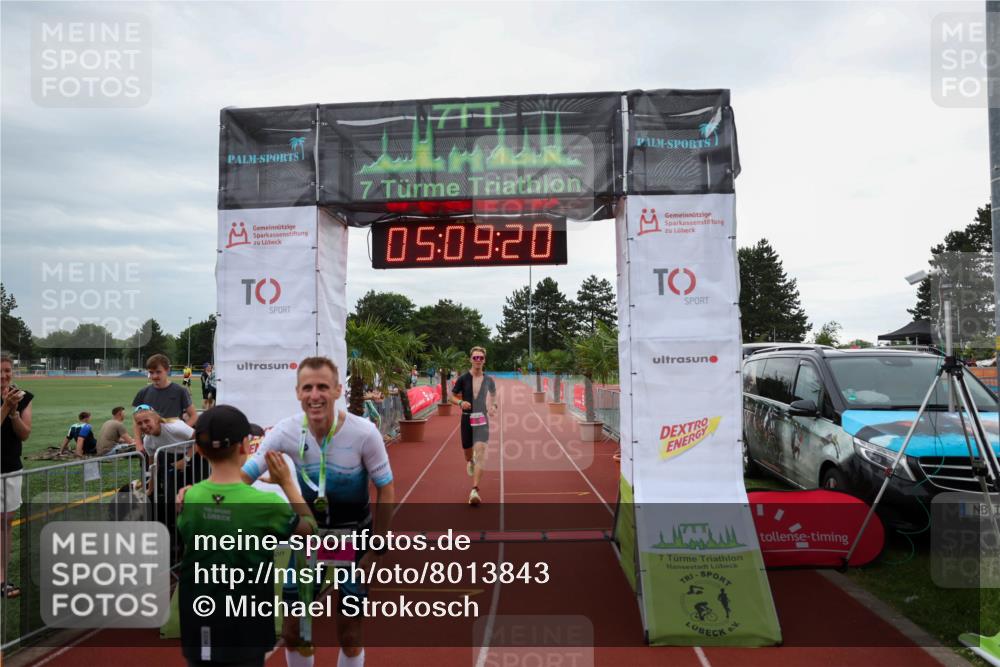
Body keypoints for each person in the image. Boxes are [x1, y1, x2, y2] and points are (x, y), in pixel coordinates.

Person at [241, 356, 394, 667]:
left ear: (338, 390)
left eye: (323, 386)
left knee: (350, 634)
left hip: (354, 538)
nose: (315, 395)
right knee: (294, 631)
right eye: (307, 387)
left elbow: (386, 488)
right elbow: (243, 476)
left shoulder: (363, 433)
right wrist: (203, 492)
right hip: (308, 537)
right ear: (297, 392)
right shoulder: (285, 432)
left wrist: (376, 550)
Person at [177, 405, 315, 667]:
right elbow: (310, 529)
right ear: (245, 446)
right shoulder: (266, 504)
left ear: (200, 449)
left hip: (198, 621)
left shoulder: (190, 496)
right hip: (246, 626)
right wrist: (286, 481)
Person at [449, 346, 497, 506]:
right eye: (475, 358)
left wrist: (493, 407)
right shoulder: (463, 379)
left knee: (481, 453)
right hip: (466, 419)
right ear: (471, 359)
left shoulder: (489, 380)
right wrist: (461, 402)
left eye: (481, 358)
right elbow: (452, 397)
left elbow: (493, 396)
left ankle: (474, 490)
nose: (478, 360)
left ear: (484, 360)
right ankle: (469, 461)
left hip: (482, 420)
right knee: (469, 455)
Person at [0, 355, 31, 598]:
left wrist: (13, 414)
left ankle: (2, 578)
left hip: (10, 467)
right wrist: (4, 408)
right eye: (0, 371)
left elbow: (24, 435)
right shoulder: (9, 400)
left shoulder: (22, 397)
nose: (4, 376)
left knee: (5, 523)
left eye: (7, 370)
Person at [132, 354, 197, 451]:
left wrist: (181, 431)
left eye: (158, 372)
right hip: (151, 444)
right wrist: (138, 443)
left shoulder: (180, 391)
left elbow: (193, 415)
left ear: (167, 370)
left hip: (172, 446)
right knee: (150, 466)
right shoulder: (143, 392)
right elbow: (136, 421)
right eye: (151, 372)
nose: (154, 376)